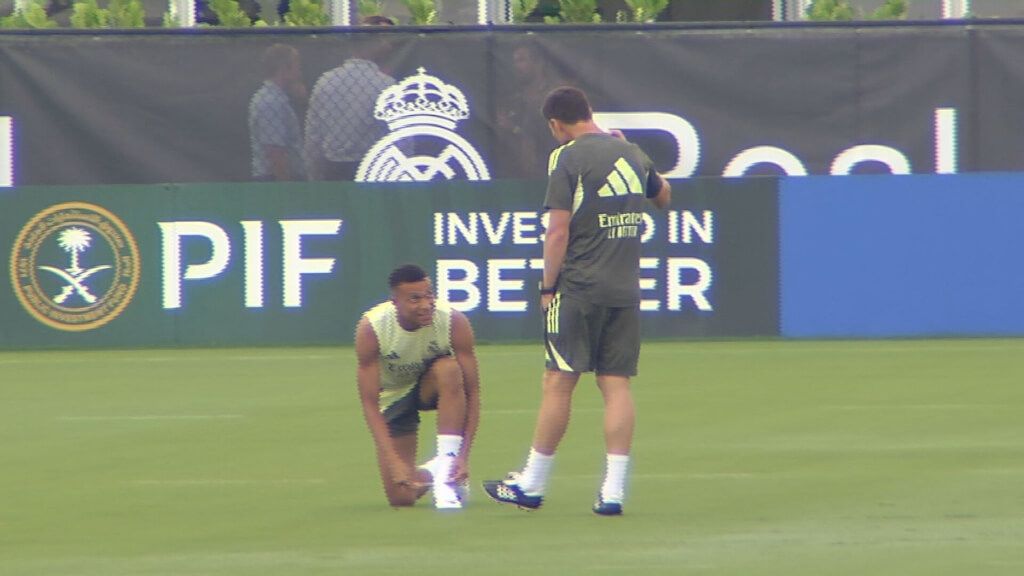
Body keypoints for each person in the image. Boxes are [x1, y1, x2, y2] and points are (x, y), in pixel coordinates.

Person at [482, 87, 671, 516]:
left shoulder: (566, 157)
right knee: (616, 384)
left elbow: (557, 231)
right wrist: (633, 156)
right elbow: (663, 197)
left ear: (556, 124)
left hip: (580, 287)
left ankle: (532, 483)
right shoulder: (631, 152)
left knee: (559, 380)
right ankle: (614, 491)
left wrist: (547, 287)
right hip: (624, 288)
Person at [355, 264, 481, 509]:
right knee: (401, 497)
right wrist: (394, 461)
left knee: (449, 369)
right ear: (395, 302)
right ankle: (436, 471)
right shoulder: (372, 328)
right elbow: (369, 403)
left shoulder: (453, 321)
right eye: (414, 299)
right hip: (393, 397)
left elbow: (473, 393)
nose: (425, 305)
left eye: (429, 295)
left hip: (433, 387)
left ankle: (447, 467)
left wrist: (463, 457)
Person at [304, 16, 396, 181]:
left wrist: (314, 176)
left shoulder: (326, 81)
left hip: (333, 169)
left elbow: (313, 135)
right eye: (384, 38)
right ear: (374, 44)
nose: (389, 45)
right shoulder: (385, 85)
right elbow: (395, 135)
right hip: (372, 168)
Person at [248, 44, 307, 181]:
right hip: (274, 180)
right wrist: (285, 187)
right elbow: (275, 151)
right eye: (296, 66)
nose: (299, 72)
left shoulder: (278, 99)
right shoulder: (271, 102)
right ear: (284, 69)